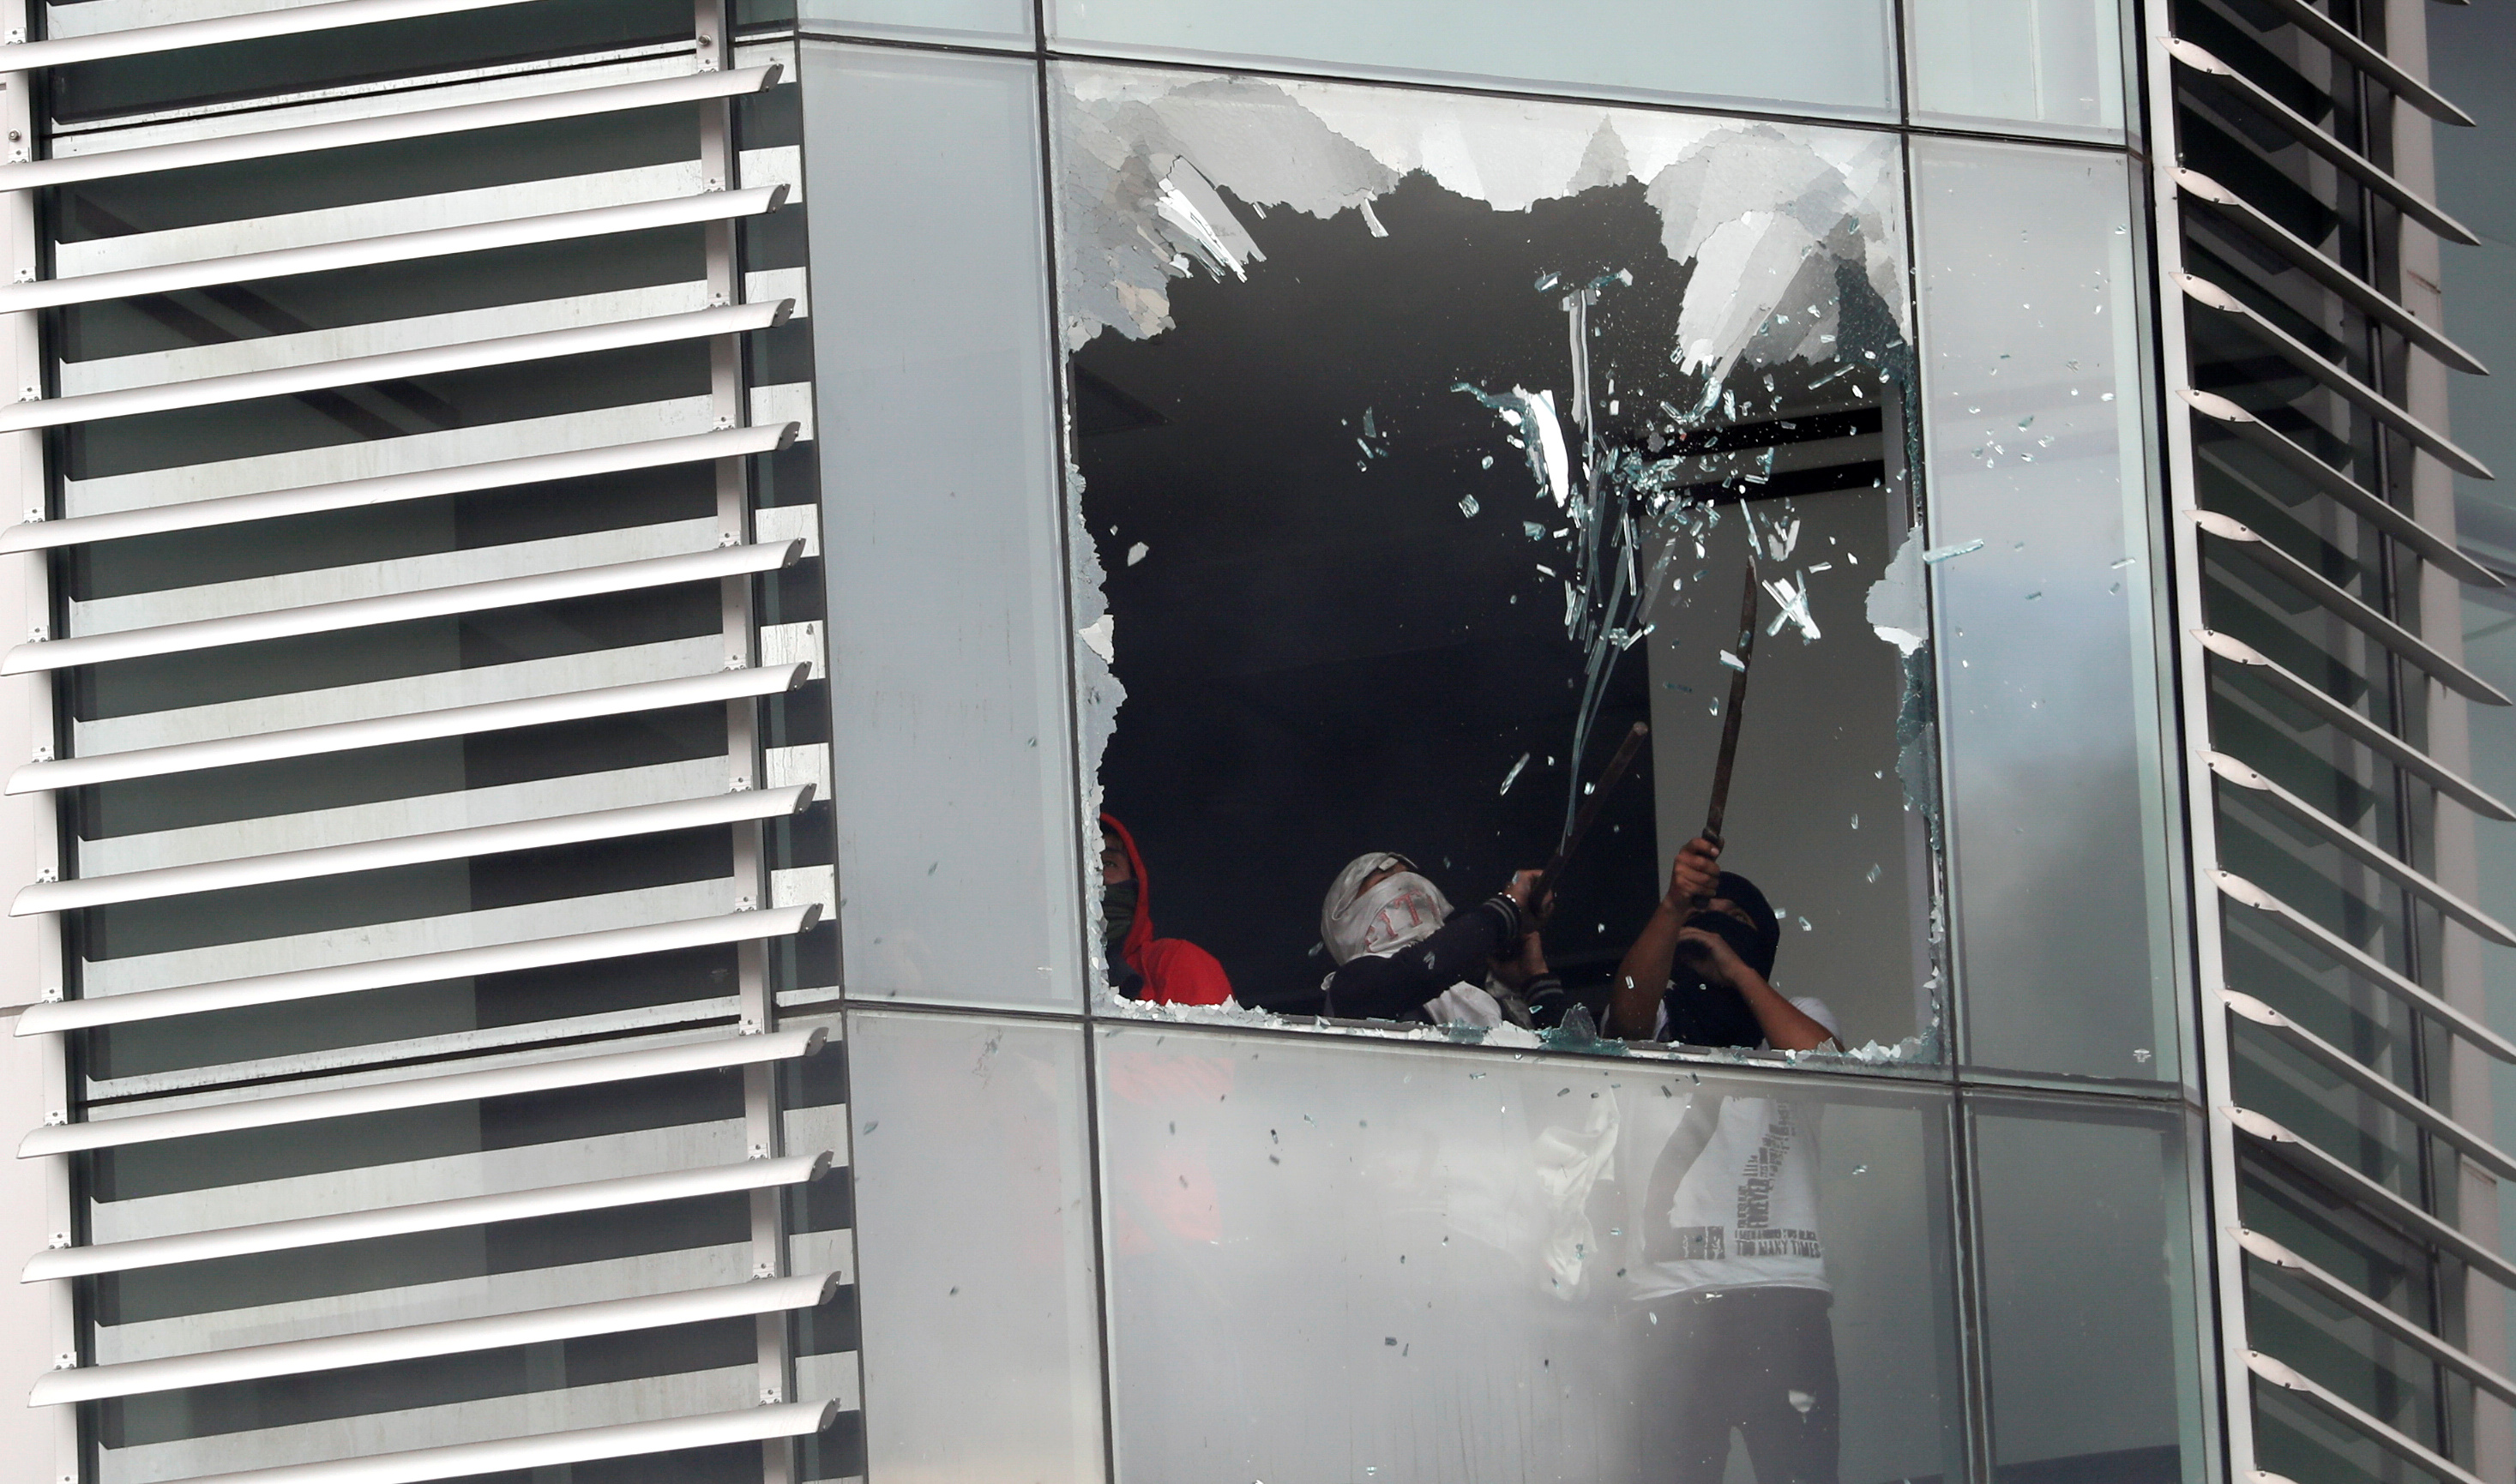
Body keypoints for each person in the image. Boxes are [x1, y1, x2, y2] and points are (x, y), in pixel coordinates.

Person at [1610, 836, 1845, 1484]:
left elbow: (1825, 1061)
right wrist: (1672, 907)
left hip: (1783, 1302)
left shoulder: (1798, 1016)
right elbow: (1626, 1009)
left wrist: (1737, 973)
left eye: (1734, 921)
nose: (1713, 929)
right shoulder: (1657, 1023)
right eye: (1702, 919)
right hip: (1670, 1306)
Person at [1315, 853, 1557, 1026]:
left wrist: (1534, 978)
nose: (1409, 890)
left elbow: (1565, 1060)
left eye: (1412, 880)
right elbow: (1419, 971)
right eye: (1386, 883)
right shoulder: (1349, 989)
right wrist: (1507, 909)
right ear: (1348, 917)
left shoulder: (1482, 1002)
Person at [1101, 814, 1235, 1006]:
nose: (1093, 873)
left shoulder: (1173, 963)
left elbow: (1207, 1036)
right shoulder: (1047, 985)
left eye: (1109, 863)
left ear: (1136, 884)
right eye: (1079, 863)